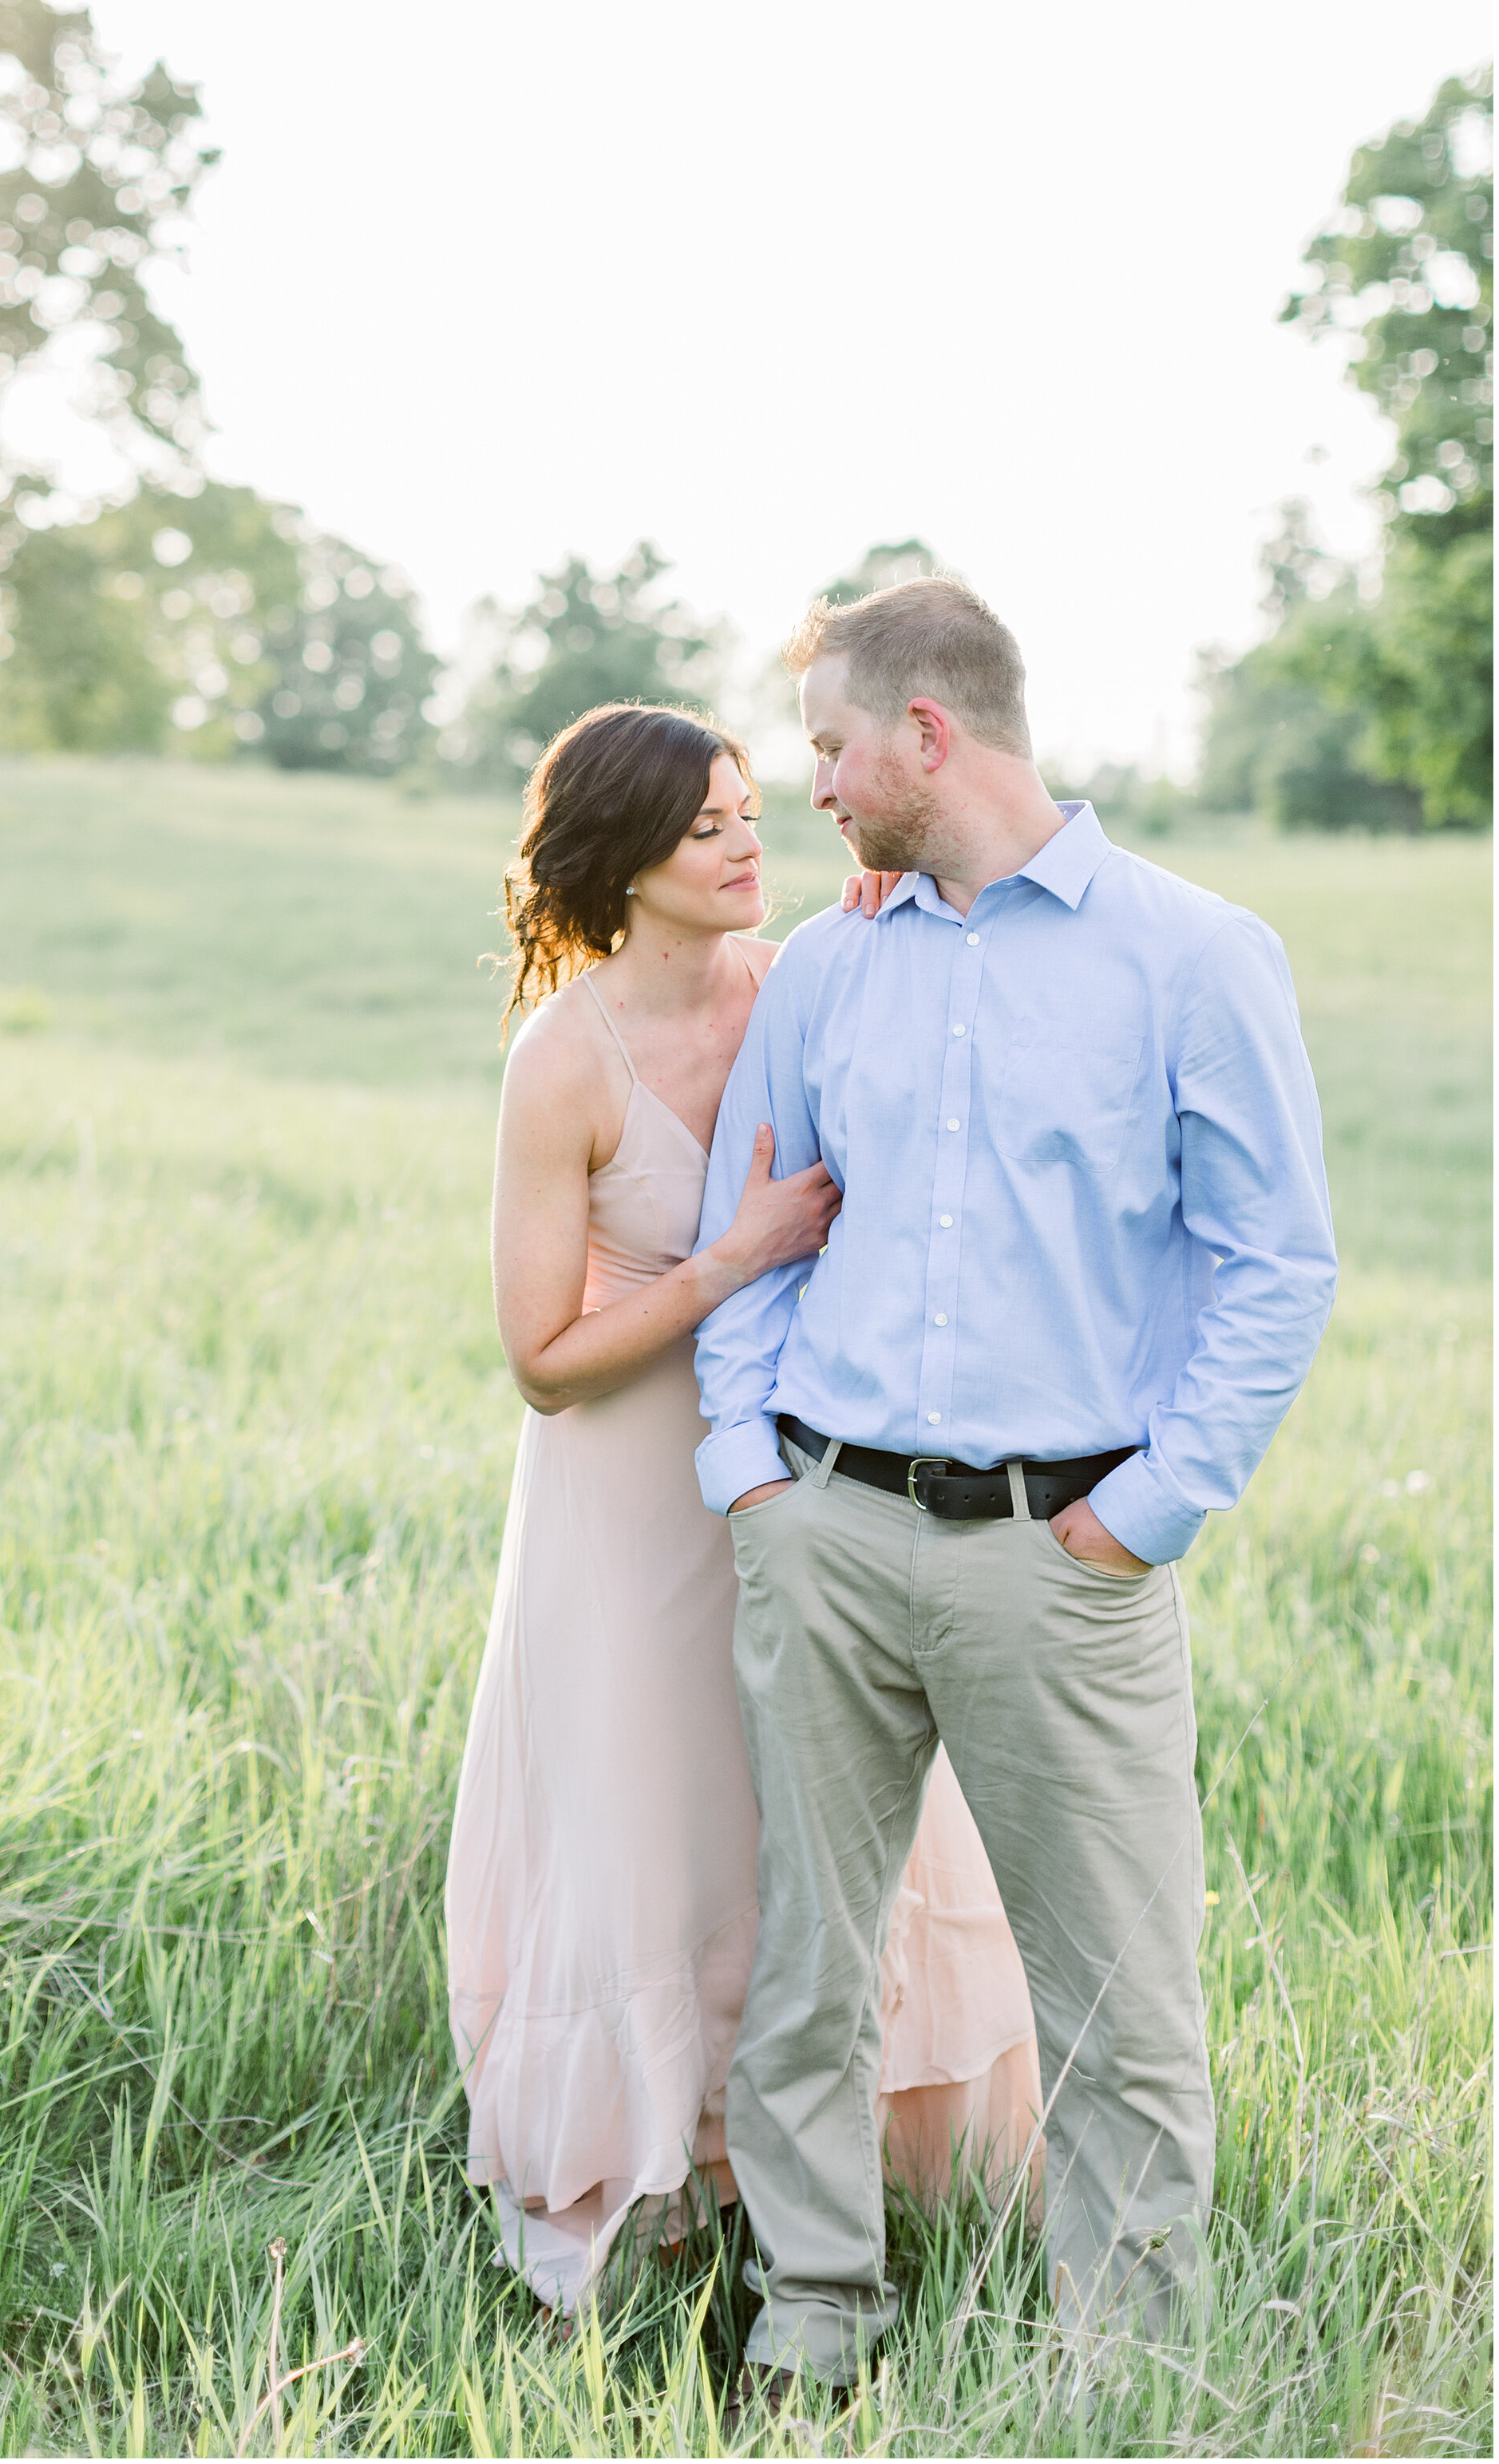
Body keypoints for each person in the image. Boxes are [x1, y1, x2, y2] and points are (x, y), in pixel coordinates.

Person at [694, 576, 1339, 2390]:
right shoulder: (823, 968)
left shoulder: (1193, 956)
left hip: (1058, 1555)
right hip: (822, 1529)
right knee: (808, 1969)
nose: (808, 784)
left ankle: (1119, 2378)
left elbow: (1274, 1264)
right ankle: (808, 2327)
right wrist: (747, 1472)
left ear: (926, 733)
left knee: (1116, 1998)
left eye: (825, 745)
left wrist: (1146, 1511)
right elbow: (756, 1231)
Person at [445, 700, 1046, 2320]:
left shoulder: (787, 978)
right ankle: (658, 2179)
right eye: (704, 826)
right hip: (622, 1499)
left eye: (744, 814)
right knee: (656, 1816)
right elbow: (541, 1360)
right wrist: (729, 1257)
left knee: (813, 1814)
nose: (743, 845)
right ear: (620, 863)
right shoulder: (561, 1058)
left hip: (794, 1469)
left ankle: (843, 2154)